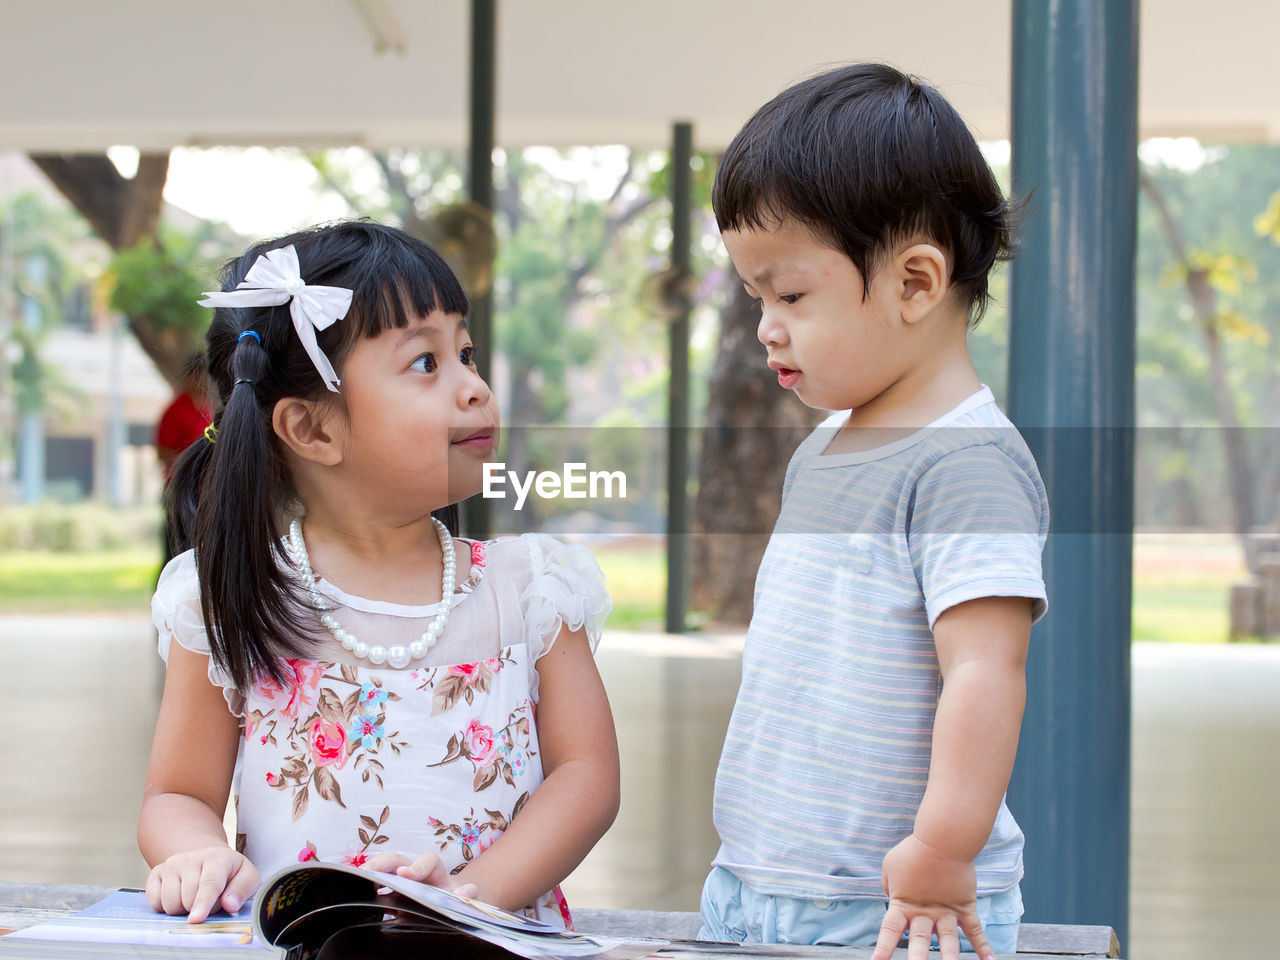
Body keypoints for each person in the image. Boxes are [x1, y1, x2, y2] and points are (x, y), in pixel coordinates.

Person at [139, 221, 619, 930]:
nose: (475, 389)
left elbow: (587, 778)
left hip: (489, 944)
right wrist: (194, 854)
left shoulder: (530, 590)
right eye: (426, 363)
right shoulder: (230, 602)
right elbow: (177, 795)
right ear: (313, 429)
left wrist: (467, 898)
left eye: (466, 352)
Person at [698, 63, 1049, 960]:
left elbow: (985, 673)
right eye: (755, 298)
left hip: (897, 906)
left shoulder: (966, 465)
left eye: (790, 295)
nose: (766, 327)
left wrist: (942, 850)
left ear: (917, 282)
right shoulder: (824, 448)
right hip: (759, 883)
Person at [154, 355, 214, 564]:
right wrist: (193, 461)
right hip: (180, 487)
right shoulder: (176, 410)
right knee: (176, 549)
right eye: (200, 376)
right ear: (191, 377)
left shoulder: (207, 408)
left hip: (203, 488)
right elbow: (163, 452)